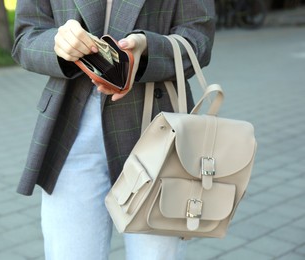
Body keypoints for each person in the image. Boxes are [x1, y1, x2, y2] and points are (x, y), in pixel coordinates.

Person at [11, 0, 215, 259]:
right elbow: (26, 37)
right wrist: (58, 43)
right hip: (71, 130)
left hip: (157, 127)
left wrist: (147, 50)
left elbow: (198, 38)